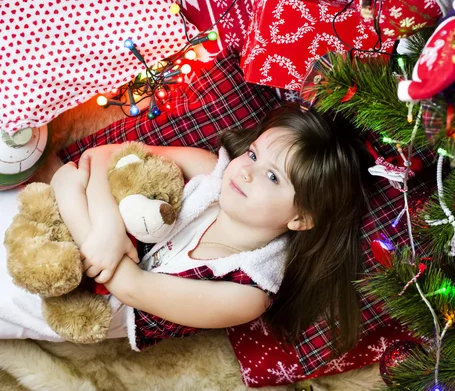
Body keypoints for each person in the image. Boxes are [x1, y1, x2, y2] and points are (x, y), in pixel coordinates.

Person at [0, 103, 370, 353]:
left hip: (61, 300)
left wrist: (75, 191)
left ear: (300, 219)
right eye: (254, 154)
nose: (245, 170)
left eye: (272, 176)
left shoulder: (247, 293)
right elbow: (99, 157)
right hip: (52, 220)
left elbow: (130, 286)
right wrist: (107, 229)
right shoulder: (210, 169)